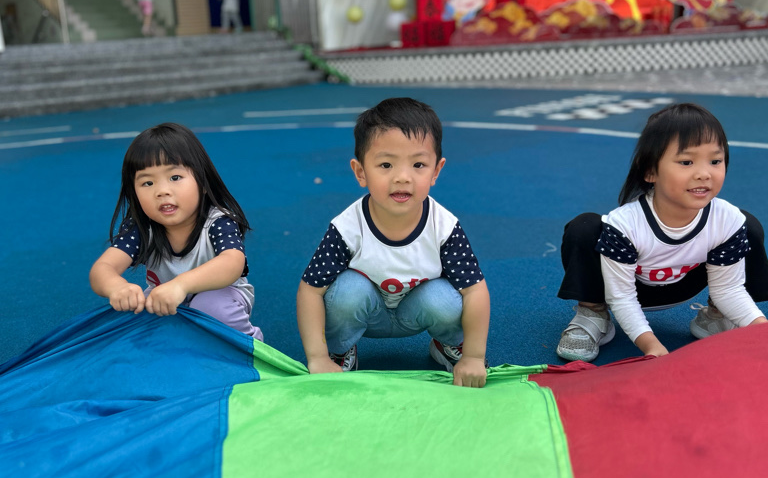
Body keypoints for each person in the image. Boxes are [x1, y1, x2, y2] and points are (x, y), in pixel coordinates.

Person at [555, 102, 768, 362]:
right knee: (584, 228)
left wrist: (764, 331)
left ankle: (716, 317)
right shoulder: (625, 225)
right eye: (686, 162)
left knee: (748, 226)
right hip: (626, 289)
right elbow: (623, 297)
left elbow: (729, 290)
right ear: (650, 170)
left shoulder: (727, 219)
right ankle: (593, 313)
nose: (704, 173)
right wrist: (652, 346)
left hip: (685, 284)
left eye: (715, 161)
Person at [296, 97, 491, 387]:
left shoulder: (444, 226)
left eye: (418, 164)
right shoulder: (347, 227)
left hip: (417, 311)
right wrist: (317, 357)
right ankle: (339, 351)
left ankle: (448, 344)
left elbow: (475, 290)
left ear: (436, 171)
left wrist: (474, 356)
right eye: (386, 164)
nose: (402, 177)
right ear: (360, 172)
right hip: (367, 313)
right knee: (347, 291)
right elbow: (310, 291)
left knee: (445, 298)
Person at [89, 123, 261, 339]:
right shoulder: (142, 228)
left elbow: (232, 263)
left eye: (175, 178)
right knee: (137, 315)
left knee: (209, 305)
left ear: (203, 182)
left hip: (222, 295)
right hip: (167, 299)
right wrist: (117, 287)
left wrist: (181, 285)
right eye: (148, 183)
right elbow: (103, 268)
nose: (162, 191)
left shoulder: (218, 221)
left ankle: (251, 347)